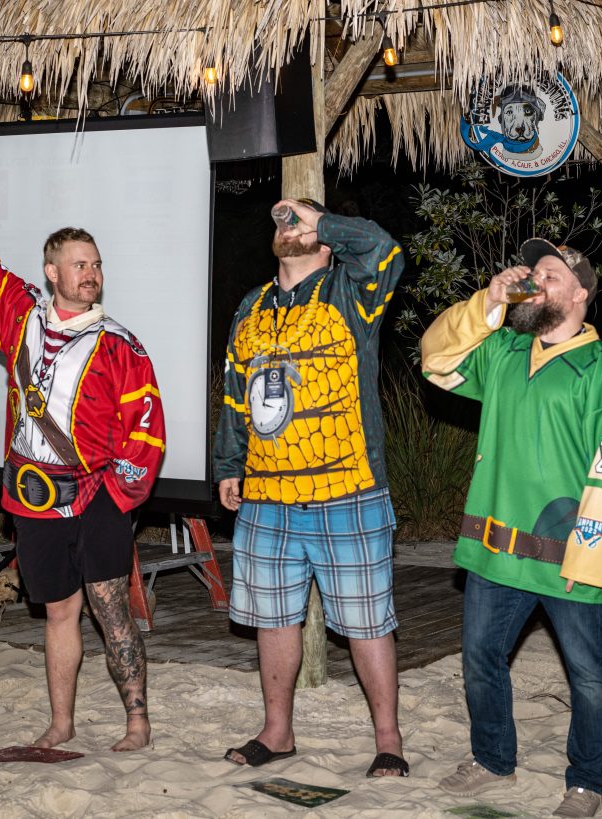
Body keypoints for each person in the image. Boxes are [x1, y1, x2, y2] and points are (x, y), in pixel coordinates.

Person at [0, 122, 166, 751]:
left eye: (96, 264)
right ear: (51, 272)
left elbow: (146, 431)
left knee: (109, 604)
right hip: (34, 495)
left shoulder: (120, 345)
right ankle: (61, 723)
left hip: (97, 496)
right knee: (59, 611)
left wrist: (116, 498)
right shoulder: (20, 316)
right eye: (79, 264)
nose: (91, 273)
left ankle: (137, 722)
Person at [422, 239, 602, 817]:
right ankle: (493, 759)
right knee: (480, 660)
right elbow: (435, 359)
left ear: (580, 292)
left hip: (568, 556)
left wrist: (591, 561)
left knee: (587, 676)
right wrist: (488, 302)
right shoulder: (503, 349)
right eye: (532, 273)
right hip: (495, 550)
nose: (535, 281)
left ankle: (587, 782)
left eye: (549, 274)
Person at [213, 198, 408, 777]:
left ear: (326, 239)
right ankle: (277, 732)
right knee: (273, 617)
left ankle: (389, 739)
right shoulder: (252, 305)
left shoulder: (350, 292)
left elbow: (385, 251)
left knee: (367, 621)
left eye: (302, 223)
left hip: (349, 491)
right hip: (267, 497)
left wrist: (318, 219)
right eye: (284, 221)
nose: (289, 227)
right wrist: (229, 464)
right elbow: (235, 391)